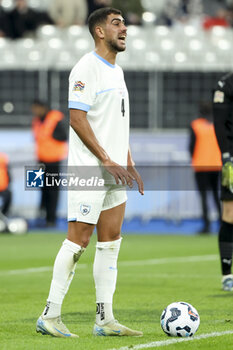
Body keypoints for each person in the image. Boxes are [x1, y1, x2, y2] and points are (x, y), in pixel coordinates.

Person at [36, 7, 144, 338]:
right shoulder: (86, 67)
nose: (124, 28)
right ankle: (49, 315)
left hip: (114, 170)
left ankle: (104, 319)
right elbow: (78, 118)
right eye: (116, 23)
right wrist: (106, 159)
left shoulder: (117, 72)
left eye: (124, 23)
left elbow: (116, 124)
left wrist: (127, 160)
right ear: (99, 31)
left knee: (110, 241)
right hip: (90, 170)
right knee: (79, 240)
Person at [32, 100, 67, 227]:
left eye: (36, 108)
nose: (34, 111)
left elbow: (64, 136)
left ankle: (51, 220)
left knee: (52, 190)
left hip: (54, 161)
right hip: (40, 160)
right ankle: (43, 217)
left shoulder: (55, 118)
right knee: (41, 188)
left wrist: (51, 135)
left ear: (43, 107)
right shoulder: (36, 121)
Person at [213, 72, 233, 291]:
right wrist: (226, 156)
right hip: (232, 158)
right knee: (230, 215)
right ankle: (227, 275)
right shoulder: (225, 84)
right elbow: (219, 123)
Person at [189, 102, 222, 233]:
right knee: (216, 195)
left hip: (201, 165)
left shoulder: (196, 125)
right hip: (216, 165)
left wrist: (194, 157)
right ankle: (221, 223)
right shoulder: (218, 124)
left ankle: (206, 225)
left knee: (203, 196)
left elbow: (191, 146)